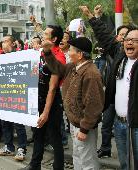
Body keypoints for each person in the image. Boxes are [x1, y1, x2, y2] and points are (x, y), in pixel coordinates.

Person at [80, 5, 138, 170]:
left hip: (136, 126)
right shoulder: (120, 56)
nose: (129, 43)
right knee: (125, 163)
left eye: (134, 40)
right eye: (127, 40)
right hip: (119, 125)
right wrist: (91, 17)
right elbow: (104, 36)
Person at [42, 36, 105, 169]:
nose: (68, 52)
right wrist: (48, 52)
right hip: (74, 122)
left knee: (88, 162)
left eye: (71, 50)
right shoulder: (74, 67)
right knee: (77, 156)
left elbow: (94, 105)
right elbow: (57, 69)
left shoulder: (91, 73)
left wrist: (84, 128)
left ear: (80, 54)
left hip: (83, 126)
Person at [21, 25, 66, 170]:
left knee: (55, 138)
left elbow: (52, 88)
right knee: (38, 134)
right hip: (37, 99)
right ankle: (34, 165)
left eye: (46, 34)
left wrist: (46, 112)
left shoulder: (59, 57)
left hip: (51, 102)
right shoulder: (39, 53)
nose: (42, 36)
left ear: (54, 39)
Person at [0, 35, 27, 161]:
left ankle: (22, 148)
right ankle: (9, 146)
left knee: (18, 123)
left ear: (13, 43)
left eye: (7, 41)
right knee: (5, 122)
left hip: (17, 94)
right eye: (2, 42)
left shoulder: (21, 56)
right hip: (4, 95)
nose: (4, 44)